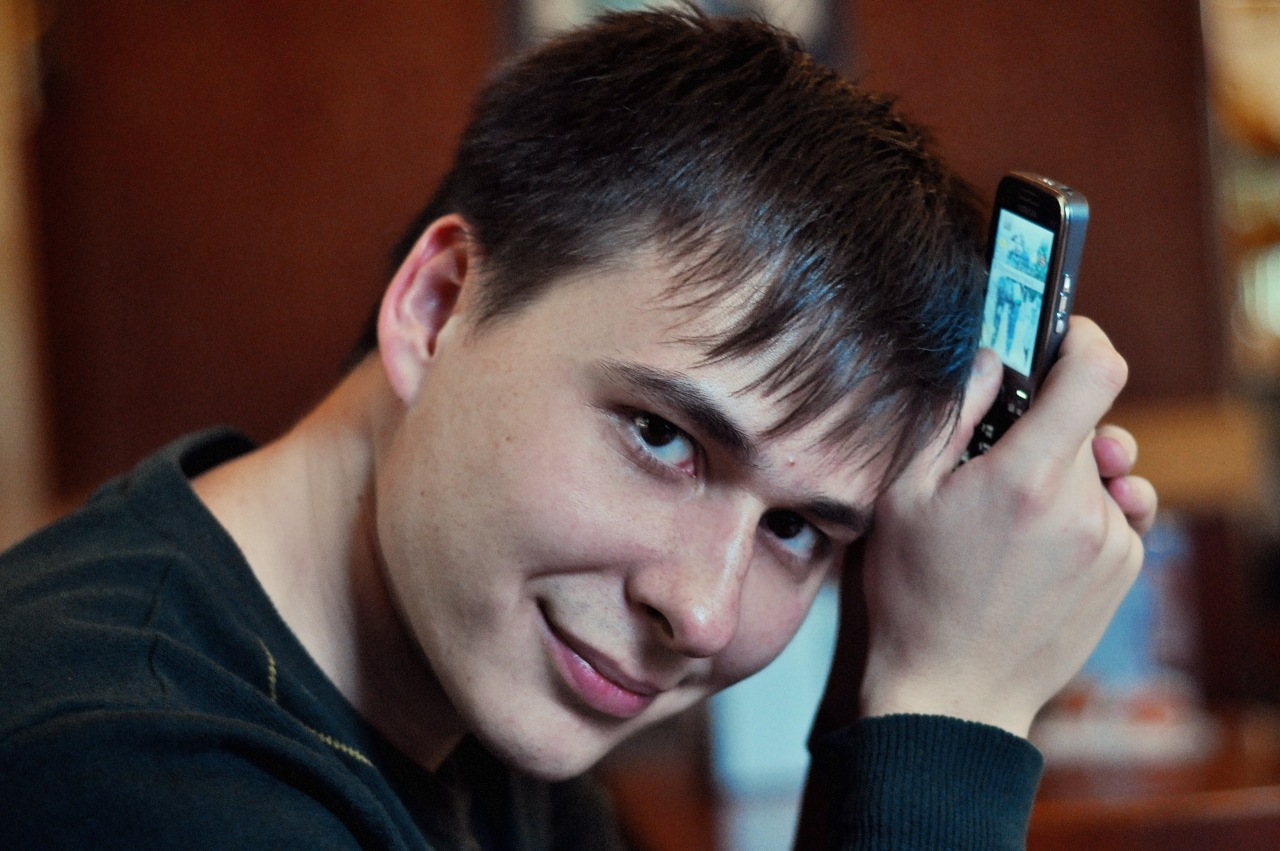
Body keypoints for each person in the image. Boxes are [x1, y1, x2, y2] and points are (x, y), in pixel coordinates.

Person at [0, 7, 1154, 849]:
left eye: (796, 527)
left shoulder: (474, 696)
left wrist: (882, 687)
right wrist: (952, 712)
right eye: (661, 436)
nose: (700, 611)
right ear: (437, 307)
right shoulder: (124, 767)